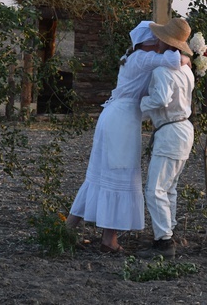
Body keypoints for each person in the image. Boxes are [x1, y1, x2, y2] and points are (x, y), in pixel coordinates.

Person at [66, 20, 190, 253]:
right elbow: (174, 60)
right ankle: (109, 240)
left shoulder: (134, 57)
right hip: (122, 120)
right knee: (120, 174)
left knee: (100, 174)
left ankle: (68, 229)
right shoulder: (143, 58)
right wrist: (186, 59)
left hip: (113, 116)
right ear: (148, 42)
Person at [137, 18, 195, 258]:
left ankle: (164, 241)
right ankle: (167, 231)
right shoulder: (185, 70)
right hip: (183, 128)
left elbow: (160, 99)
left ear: (164, 41)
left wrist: (141, 103)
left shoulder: (162, 71)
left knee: (155, 189)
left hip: (171, 130)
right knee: (169, 187)